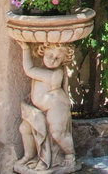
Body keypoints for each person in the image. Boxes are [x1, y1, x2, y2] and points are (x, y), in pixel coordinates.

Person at [15, 41, 76, 173]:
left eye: (58, 58)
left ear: (64, 59)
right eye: (49, 54)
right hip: (40, 109)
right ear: (42, 51)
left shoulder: (54, 74)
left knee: (57, 133)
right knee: (24, 129)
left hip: (56, 107)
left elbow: (28, 70)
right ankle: (29, 155)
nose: (53, 60)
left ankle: (70, 154)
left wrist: (25, 49)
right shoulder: (44, 70)